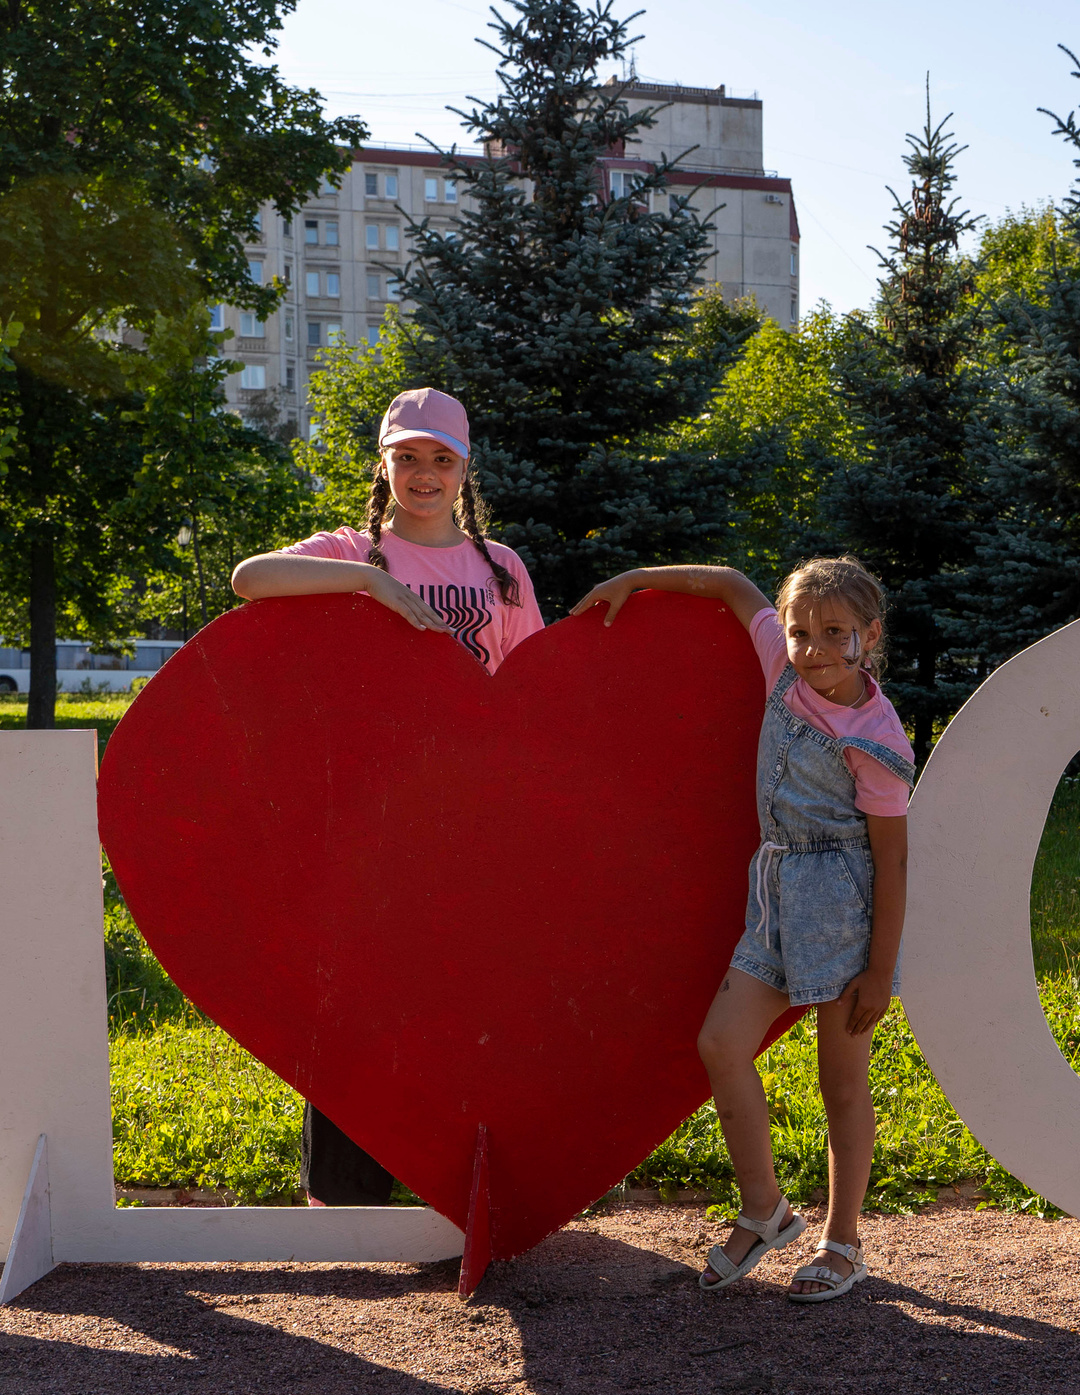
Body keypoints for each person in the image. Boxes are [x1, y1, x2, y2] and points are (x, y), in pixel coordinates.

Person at [229, 387, 543, 1206]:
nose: (424, 474)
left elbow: (529, 696)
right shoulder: (350, 551)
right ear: (385, 463)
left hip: (466, 819)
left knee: (455, 999)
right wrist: (366, 586)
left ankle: (449, 1187)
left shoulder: (500, 569)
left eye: (441, 459)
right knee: (355, 1000)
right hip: (370, 819)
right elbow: (249, 578)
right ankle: (340, 1198)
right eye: (407, 457)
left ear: (465, 469)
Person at [572, 556, 911, 1301]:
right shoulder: (782, 670)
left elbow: (893, 861)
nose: (815, 648)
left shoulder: (876, 739)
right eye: (801, 632)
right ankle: (764, 1208)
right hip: (773, 895)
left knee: (840, 1082)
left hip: (843, 907)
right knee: (720, 1042)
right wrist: (632, 579)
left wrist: (879, 969)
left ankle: (843, 1241)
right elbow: (728, 582)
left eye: (835, 633)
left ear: (870, 635)